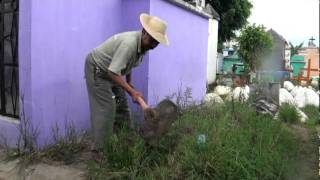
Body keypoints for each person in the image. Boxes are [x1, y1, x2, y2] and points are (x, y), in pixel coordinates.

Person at [84, 13, 169, 162]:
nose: (153, 45)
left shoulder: (143, 47)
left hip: (113, 71)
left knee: (122, 106)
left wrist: (129, 84)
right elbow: (112, 71)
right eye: (152, 40)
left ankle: (126, 141)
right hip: (98, 69)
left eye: (157, 43)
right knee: (107, 109)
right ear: (144, 33)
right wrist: (132, 91)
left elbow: (128, 64)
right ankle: (98, 151)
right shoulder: (129, 44)